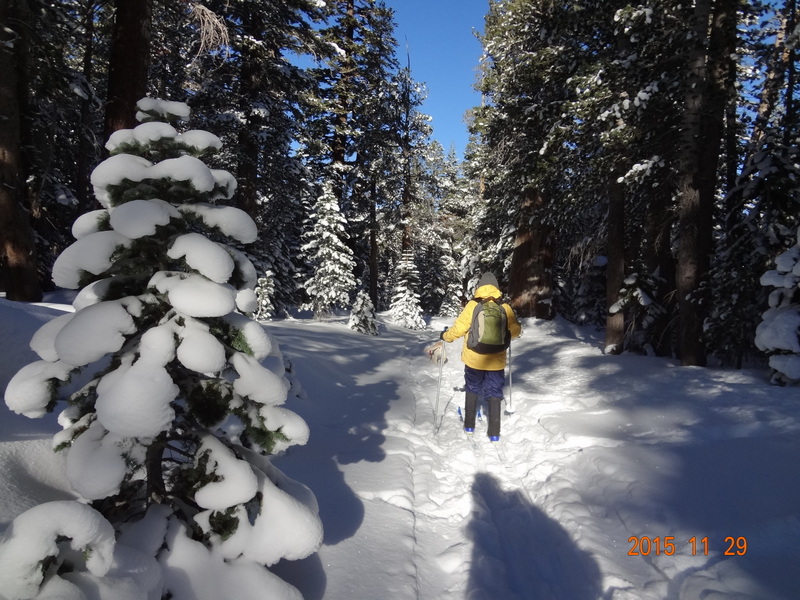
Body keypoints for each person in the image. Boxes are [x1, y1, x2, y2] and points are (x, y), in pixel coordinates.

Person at [439, 272, 521, 441]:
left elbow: (459, 328)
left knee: (472, 387)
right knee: (494, 391)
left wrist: (446, 336)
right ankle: (494, 433)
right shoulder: (504, 307)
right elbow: (515, 331)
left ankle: (469, 425)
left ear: (479, 288)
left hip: (474, 358)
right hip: (496, 361)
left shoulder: (472, 306)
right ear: (496, 288)